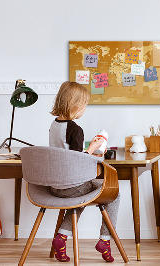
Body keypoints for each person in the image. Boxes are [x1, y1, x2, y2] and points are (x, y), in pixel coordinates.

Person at [49, 81, 119, 263]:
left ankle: (61, 238)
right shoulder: (75, 129)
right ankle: (105, 240)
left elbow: (66, 154)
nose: (85, 109)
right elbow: (76, 161)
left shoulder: (54, 125)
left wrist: (88, 149)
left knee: (79, 198)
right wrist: (93, 149)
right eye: (85, 104)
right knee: (114, 194)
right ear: (76, 105)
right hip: (71, 186)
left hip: (55, 186)